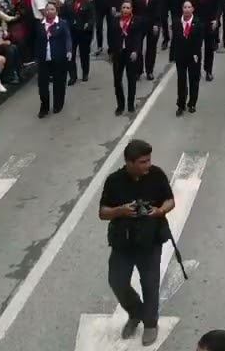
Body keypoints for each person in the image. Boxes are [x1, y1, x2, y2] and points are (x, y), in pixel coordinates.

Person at [97, 139, 176, 347]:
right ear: (129, 163)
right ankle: (136, 313)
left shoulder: (156, 175)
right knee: (117, 281)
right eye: (142, 162)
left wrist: (160, 211)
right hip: (123, 243)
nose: (147, 165)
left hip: (150, 242)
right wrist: (120, 211)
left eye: (148, 160)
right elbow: (103, 212)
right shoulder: (114, 181)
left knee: (150, 284)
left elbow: (170, 200)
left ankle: (150, 323)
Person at [35, 2, 72, 118]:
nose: (49, 11)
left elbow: (67, 38)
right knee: (43, 84)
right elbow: (35, 41)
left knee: (59, 82)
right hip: (43, 58)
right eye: (47, 9)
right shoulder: (40, 25)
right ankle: (44, 107)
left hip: (58, 57)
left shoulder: (62, 24)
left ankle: (58, 104)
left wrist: (69, 51)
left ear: (56, 11)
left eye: (52, 9)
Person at [108, 0, 143, 116]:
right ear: (120, 9)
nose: (125, 10)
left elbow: (138, 38)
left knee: (131, 80)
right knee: (117, 81)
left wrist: (136, 51)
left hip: (130, 54)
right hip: (118, 54)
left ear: (131, 9)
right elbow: (111, 37)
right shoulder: (115, 21)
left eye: (128, 8)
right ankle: (120, 105)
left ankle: (131, 104)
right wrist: (112, 51)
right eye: (123, 7)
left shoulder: (136, 21)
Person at [170, 0, 204, 116]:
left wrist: (196, 54)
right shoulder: (176, 22)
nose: (187, 9)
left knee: (193, 80)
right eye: (185, 7)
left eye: (189, 7)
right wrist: (172, 55)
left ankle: (192, 103)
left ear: (193, 9)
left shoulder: (198, 23)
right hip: (181, 55)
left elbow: (199, 41)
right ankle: (181, 104)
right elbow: (174, 40)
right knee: (181, 80)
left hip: (193, 56)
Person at [65, 0, 96, 84]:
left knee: (84, 54)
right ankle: (73, 76)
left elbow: (92, 17)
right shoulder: (69, 2)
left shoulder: (88, 3)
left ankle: (85, 73)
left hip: (84, 32)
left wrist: (88, 24)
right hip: (72, 32)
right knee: (71, 55)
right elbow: (64, 16)